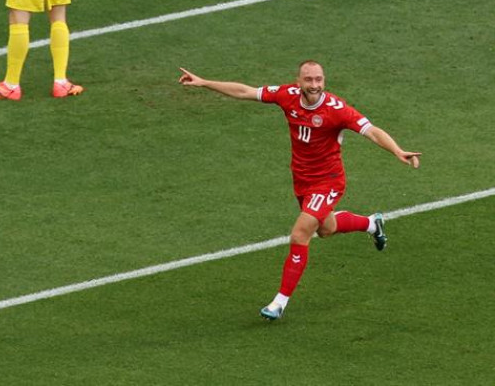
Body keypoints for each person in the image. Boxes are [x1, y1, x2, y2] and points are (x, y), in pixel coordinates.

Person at [178, 61, 420, 321]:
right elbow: (245, 91)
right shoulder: (287, 96)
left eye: (318, 79)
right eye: (309, 80)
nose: (314, 85)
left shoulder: (336, 110)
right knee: (325, 229)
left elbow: (371, 131)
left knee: (300, 234)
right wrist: (204, 83)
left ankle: (279, 303)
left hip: (328, 181)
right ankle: (372, 224)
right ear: (299, 81)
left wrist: (396, 150)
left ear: (324, 81)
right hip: (302, 181)